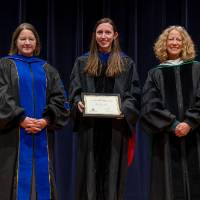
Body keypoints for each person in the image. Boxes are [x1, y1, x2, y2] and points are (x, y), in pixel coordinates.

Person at [69, 17, 140, 200]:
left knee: (113, 176)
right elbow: (74, 92)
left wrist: (124, 109)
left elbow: (134, 95)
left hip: (115, 130)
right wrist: (77, 103)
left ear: (115, 35)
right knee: (89, 177)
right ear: (94, 35)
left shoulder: (126, 63)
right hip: (90, 129)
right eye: (100, 32)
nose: (103, 36)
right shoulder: (82, 62)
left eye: (108, 32)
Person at [0, 23, 68, 200]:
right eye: (22, 39)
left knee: (41, 180)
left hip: (42, 134)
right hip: (13, 135)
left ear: (37, 43)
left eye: (31, 39)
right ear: (16, 41)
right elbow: (1, 95)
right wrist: (20, 118)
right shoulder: (5, 65)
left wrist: (46, 120)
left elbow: (60, 98)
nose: (27, 42)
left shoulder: (47, 69)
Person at [141, 25, 200, 200]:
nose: (174, 42)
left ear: (185, 44)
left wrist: (190, 122)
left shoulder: (197, 69)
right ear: (164, 44)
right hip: (166, 139)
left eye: (178, 39)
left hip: (196, 136)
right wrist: (173, 125)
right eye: (170, 39)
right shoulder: (155, 74)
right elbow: (149, 106)